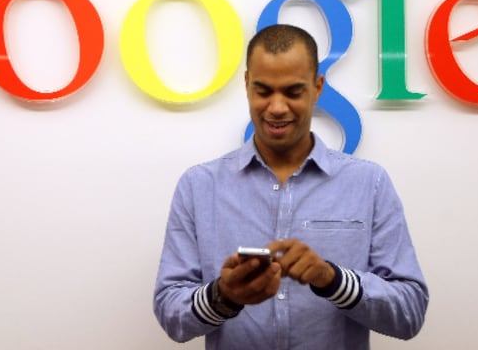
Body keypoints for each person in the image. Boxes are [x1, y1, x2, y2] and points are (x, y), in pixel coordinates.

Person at [153, 24, 429, 350]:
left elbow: (410, 313)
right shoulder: (199, 186)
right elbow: (171, 314)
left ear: (317, 87)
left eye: (293, 92)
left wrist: (333, 280)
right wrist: (222, 296)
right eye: (263, 90)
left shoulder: (369, 184)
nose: (278, 107)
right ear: (246, 85)